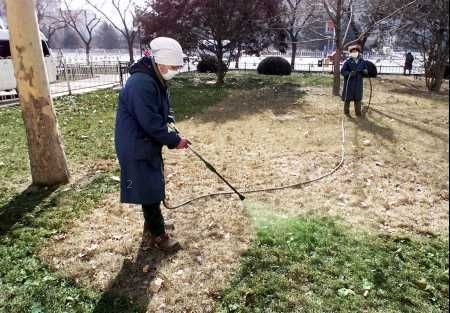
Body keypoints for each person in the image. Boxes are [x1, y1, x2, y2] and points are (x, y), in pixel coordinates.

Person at [115, 37, 190, 252]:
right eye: (174, 66)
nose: (175, 70)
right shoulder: (142, 83)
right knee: (149, 190)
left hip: (146, 141)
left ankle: (151, 227)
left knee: (152, 184)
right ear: (161, 62)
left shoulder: (157, 78)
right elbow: (150, 122)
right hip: (136, 144)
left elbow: (165, 110)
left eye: (178, 67)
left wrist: (172, 126)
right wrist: (175, 141)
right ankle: (159, 235)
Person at [341, 44, 368, 117]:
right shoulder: (347, 62)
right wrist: (349, 73)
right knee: (347, 98)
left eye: (356, 51)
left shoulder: (362, 61)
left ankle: (358, 113)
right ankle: (346, 112)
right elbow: (343, 71)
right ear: (350, 53)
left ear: (358, 52)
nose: (354, 52)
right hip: (349, 83)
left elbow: (365, 70)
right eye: (353, 51)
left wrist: (365, 72)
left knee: (358, 98)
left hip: (358, 83)